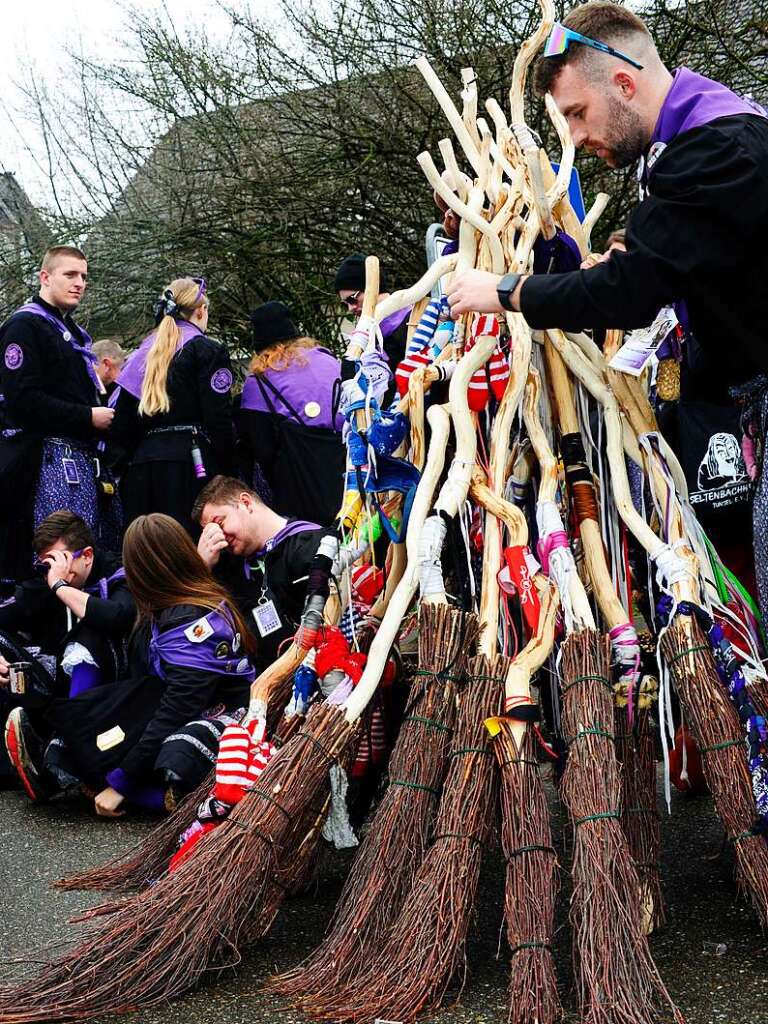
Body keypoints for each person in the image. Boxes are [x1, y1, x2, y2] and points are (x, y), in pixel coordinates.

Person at [446, 1, 768, 614]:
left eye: (576, 113)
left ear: (624, 82)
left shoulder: (717, 151)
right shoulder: (691, 145)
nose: (573, 136)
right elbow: (664, 266)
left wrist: (507, 292)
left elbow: (634, 286)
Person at [1, 513, 256, 815]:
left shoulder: (190, 618)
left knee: (176, 753)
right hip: (167, 694)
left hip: (219, 713)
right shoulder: (173, 601)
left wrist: (121, 784)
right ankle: (56, 770)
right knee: (97, 718)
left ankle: (147, 796)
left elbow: (177, 709)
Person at [0, 245, 116, 588]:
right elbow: (22, 400)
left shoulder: (71, 333)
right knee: (55, 554)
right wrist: (86, 417)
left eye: (83, 276)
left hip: (76, 458)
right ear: (44, 277)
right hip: (45, 463)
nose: (79, 283)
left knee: (82, 556)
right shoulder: (25, 327)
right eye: (70, 275)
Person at [0, 510, 135, 798]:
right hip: (57, 683)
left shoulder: (117, 571)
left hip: (116, 688)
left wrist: (61, 588)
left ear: (86, 554)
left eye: (60, 561)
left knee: (90, 629)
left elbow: (118, 616)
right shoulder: (47, 580)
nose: (53, 572)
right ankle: (35, 755)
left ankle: (65, 748)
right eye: (47, 564)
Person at [111, 276, 239, 536]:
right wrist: (231, 469)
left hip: (143, 468)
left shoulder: (141, 355)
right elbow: (218, 418)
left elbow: (123, 422)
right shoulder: (208, 351)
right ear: (201, 311)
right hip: (192, 465)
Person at [193, 475, 331, 668]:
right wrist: (201, 568)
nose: (219, 538)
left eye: (219, 523)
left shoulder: (314, 545)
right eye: (209, 532)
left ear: (246, 503)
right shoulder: (230, 570)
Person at [235, 301, 345, 526]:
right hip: (346, 470)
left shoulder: (260, 382)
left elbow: (262, 448)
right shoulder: (327, 358)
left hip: (299, 491)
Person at [335, 253, 411, 375]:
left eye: (352, 299)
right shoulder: (366, 337)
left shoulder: (413, 320)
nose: (350, 308)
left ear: (373, 288)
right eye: (345, 304)